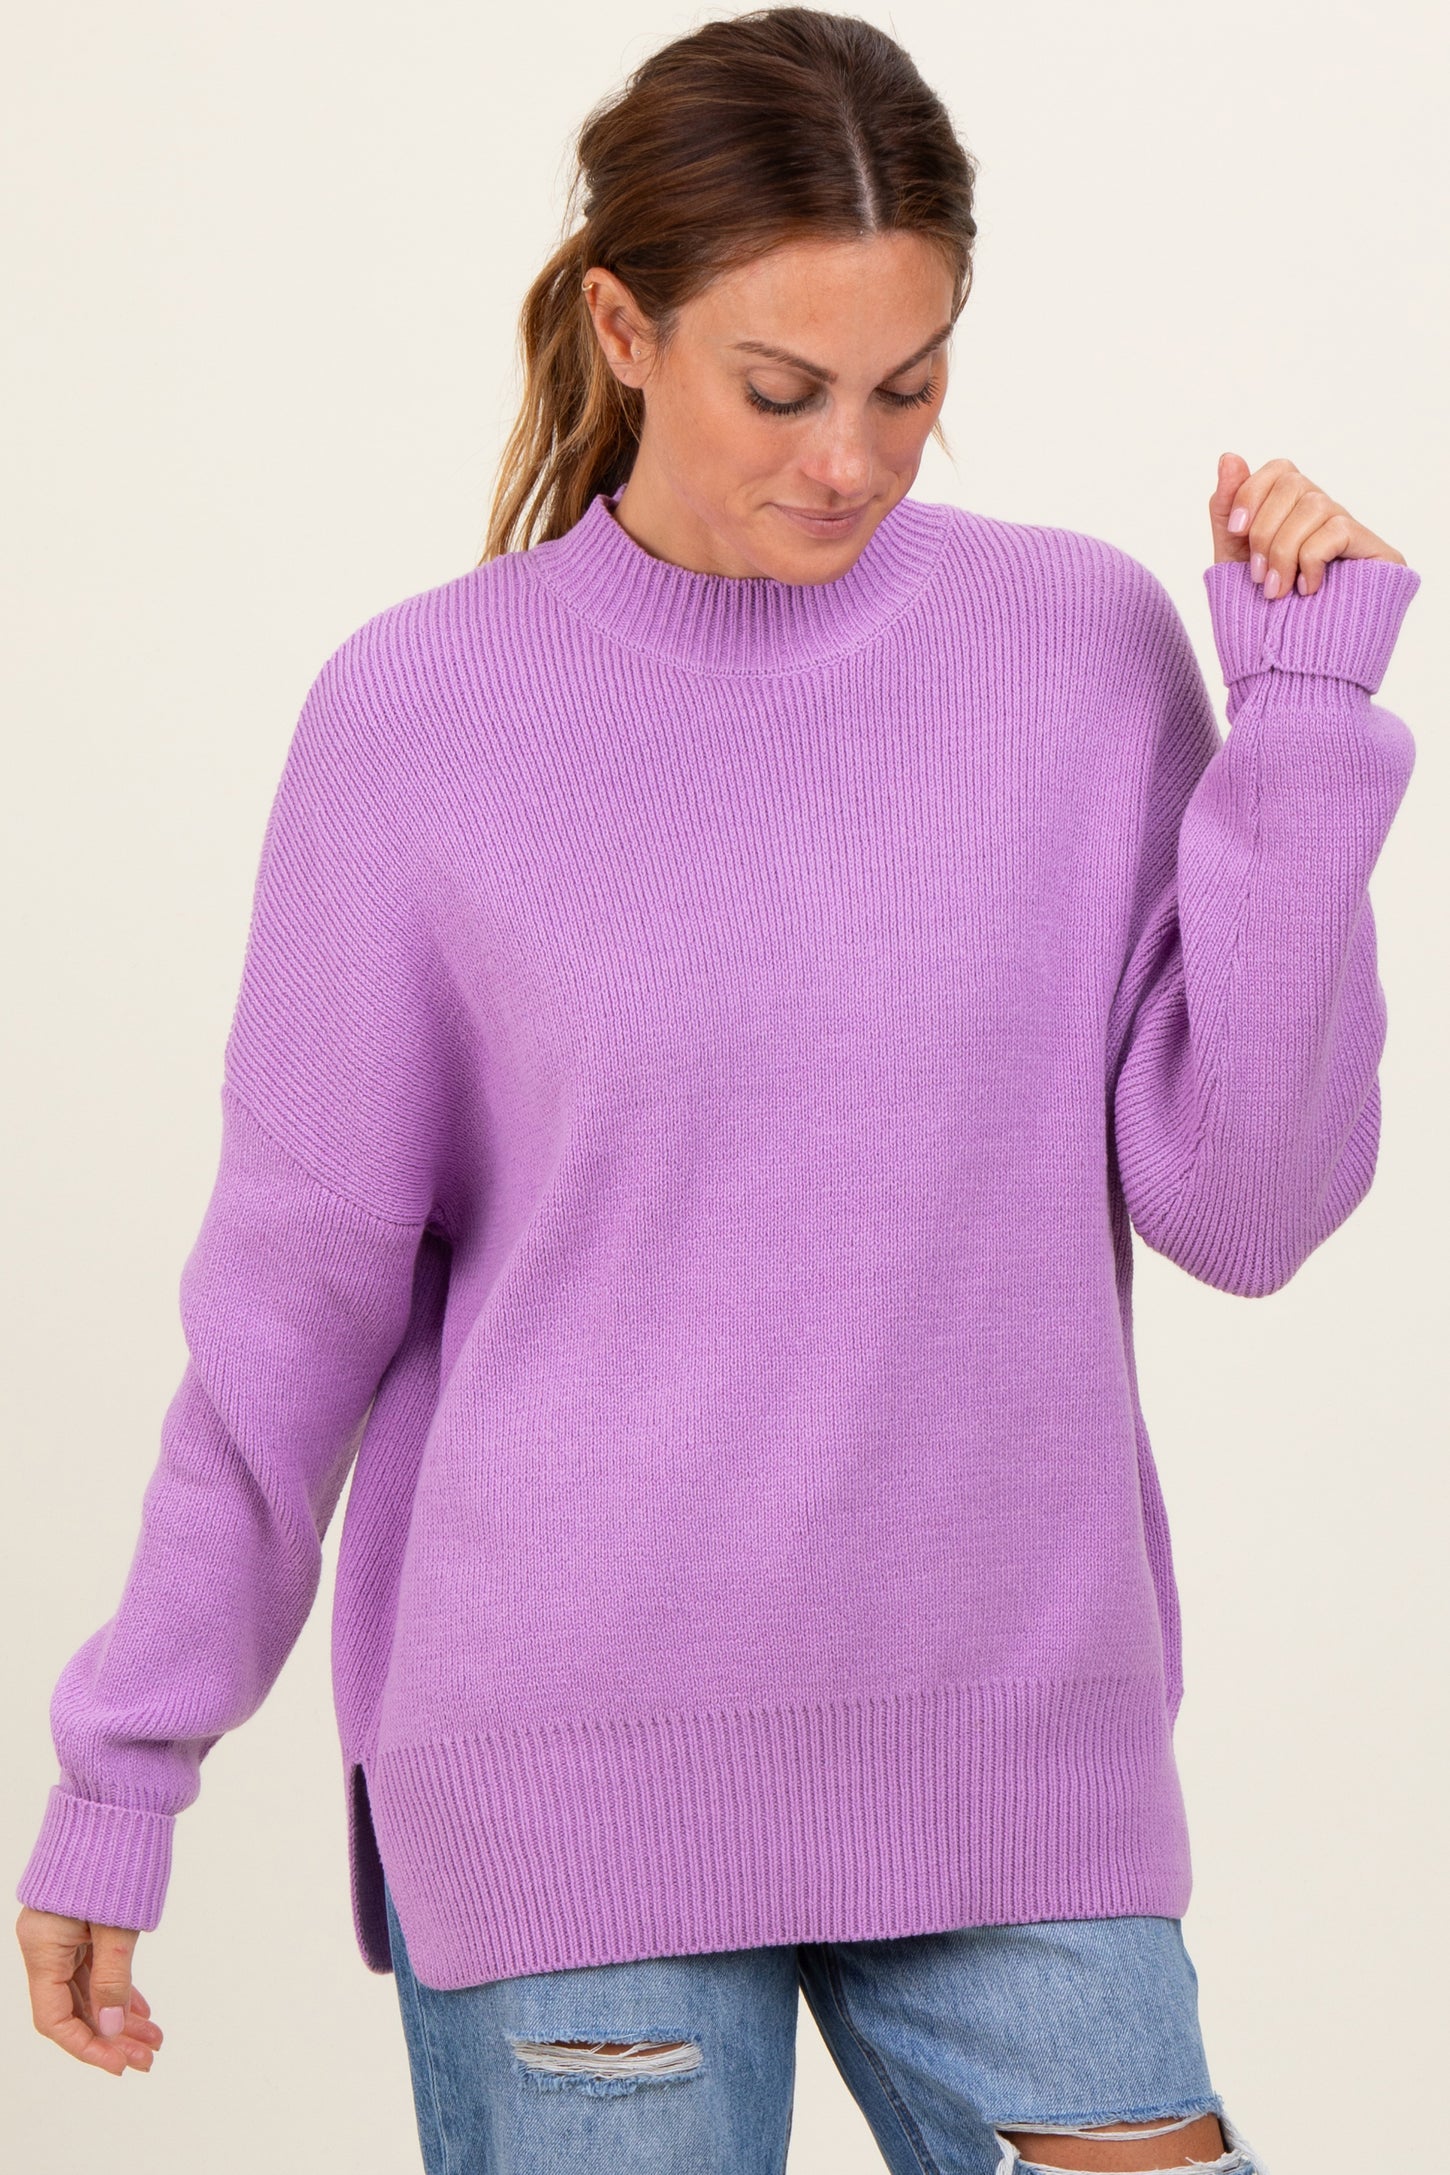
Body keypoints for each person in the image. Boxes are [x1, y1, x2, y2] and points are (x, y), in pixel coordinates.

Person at [14, 9, 1420, 2172]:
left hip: (1012, 1766)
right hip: (569, 1778)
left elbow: (1246, 1207)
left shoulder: (1075, 646)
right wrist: (126, 1769)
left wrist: (1301, 731)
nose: (848, 459)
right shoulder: (418, 717)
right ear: (624, 328)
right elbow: (292, 1307)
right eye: (781, 389)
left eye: (907, 385)